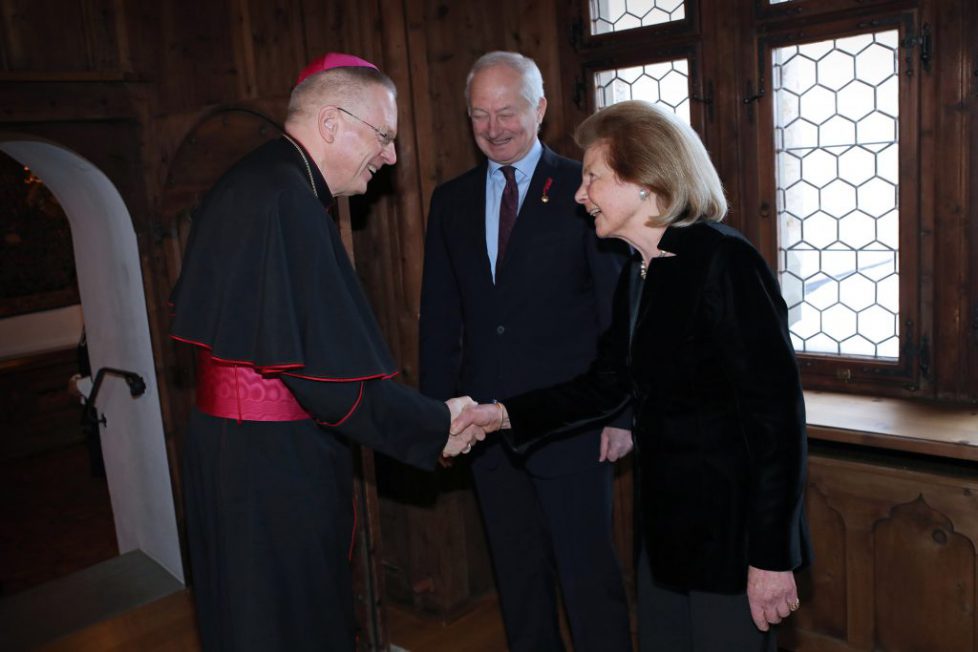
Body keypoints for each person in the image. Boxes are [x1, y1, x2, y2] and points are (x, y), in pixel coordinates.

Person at [454, 100, 812, 652]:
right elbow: (607, 384)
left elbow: (778, 422)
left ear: (645, 179)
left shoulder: (724, 261)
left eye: (593, 177)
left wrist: (771, 556)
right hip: (666, 539)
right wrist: (502, 414)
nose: (579, 193)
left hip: (733, 541)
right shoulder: (639, 272)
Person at [169, 53, 483, 651]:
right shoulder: (288, 199)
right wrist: (437, 424)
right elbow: (332, 380)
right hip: (269, 470)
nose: (391, 156)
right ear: (333, 123)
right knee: (288, 623)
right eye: (384, 136)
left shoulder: (257, 178)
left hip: (233, 455)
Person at [419, 51, 633, 652]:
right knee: (518, 586)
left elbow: (616, 312)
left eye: (507, 111)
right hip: (485, 432)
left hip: (573, 424)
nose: (494, 128)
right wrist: (439, 417)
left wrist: (622, 416)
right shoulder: (451, 201)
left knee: (589, 583)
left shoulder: (583, 187)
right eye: (479, 115)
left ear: (539, 108)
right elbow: (440, 317)